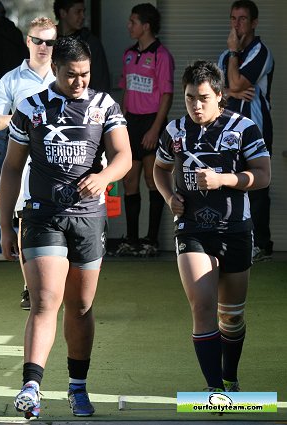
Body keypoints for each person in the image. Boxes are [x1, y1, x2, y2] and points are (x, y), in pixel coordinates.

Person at [0, 37, 131, 418]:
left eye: (85, 74)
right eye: (71, 75)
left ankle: (78, 388)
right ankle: (31, 386)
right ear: (55, 69)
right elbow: (10, 168)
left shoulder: (104, 105)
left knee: (80, 306)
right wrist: (7, 227)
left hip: (89, 218)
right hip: (42, 216)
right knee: (45, 301)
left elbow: (123, 155)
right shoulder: (32, 108)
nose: (79, 82)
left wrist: (104, 176)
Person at [153, 60, 270, 392]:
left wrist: (224, 179)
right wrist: (168, 195)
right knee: (202, 307)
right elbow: (159, 171)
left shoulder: (243, 127)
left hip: (235, 230)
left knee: (231, 318)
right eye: (190, 97)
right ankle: (214, 389)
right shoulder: (174, 131)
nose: (196, 105)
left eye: (203, 97)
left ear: (220, 96)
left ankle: (230, 377)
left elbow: (263, 176)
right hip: (191, 229)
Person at [0, 16, 57, 309]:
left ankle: (57, 285)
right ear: (28, 41)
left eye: (50, 42)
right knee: (26, 226)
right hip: (23, 166)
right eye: (38, 40)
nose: (43, 47)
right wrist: (20, 119)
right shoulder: (11, 79)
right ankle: (30, 286)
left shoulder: (64, 76)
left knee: (60, 223)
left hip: (61, 165)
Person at [218, 0, 274, 262]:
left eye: (242, 19)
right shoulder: (225, 55)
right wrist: (231, 91)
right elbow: (220, 93)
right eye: (233, 18)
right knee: (230, 180)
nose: (236, 24)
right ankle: (233, 238)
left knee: (257, 183)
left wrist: (233, 56)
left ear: (253, 23)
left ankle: (262, 243)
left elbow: (238, 81)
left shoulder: (260, 51)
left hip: (255, 127)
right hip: (228, 128)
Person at [117, 3, 175, 257]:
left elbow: (166, 95)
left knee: (153, 180)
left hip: (152, 122)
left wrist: (155, 129)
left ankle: (151, 240)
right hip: (131, 123)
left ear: (146, 25)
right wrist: (119, 122)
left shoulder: (162, 55)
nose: (129, 26)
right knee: (130, 180)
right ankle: (131, 239)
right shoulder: (128, 54)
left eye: (133, 22)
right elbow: (127, 91)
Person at [0, 0, 28, 260]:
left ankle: (1, 241)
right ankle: (11, 237)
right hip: (14, 124)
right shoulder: (14, 39)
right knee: (6, 180)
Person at [53, 0, 110, 93]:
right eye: (78, 12)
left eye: (84, 11)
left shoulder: (90, 42)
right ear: (63, 13)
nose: (82, 16)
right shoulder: (47, 40)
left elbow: (101, 81)